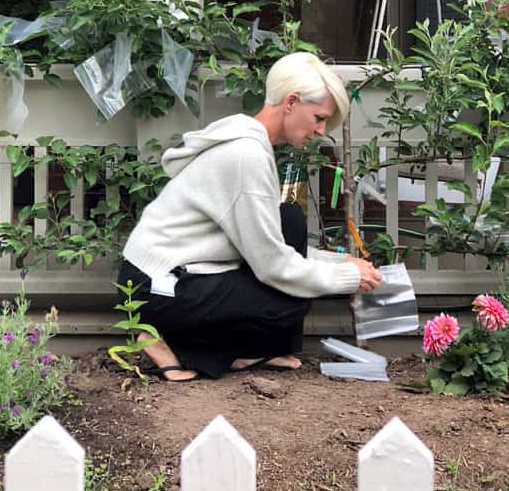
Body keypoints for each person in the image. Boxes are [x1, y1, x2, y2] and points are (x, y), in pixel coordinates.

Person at [118, 52, 382, 381]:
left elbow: (268, 241)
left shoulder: (250, 145)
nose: (321, 130)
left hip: (183, 273)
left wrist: (343, 264)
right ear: (291, 102)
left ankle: (248, 351)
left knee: (289, 222)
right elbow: (274, 265)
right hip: (157, 287)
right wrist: (348, 279)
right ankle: (171, 343)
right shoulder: (246, 155)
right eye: (318, 118)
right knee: (288, 300)